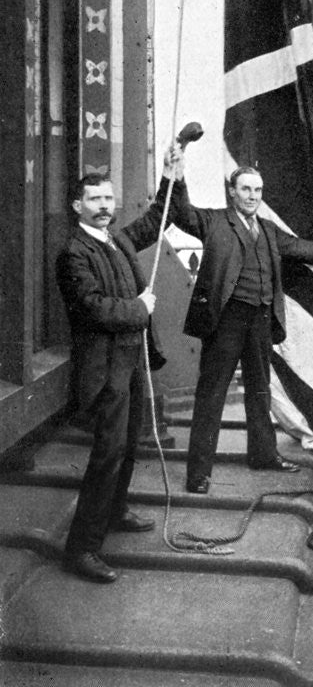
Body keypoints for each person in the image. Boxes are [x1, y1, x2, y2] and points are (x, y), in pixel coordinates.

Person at [173, 164, 313, 494]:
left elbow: (295, 247)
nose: (252, 196)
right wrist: (177, 175)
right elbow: (181, 213)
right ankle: (198, 473)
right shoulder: (213, 221)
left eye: (257, 190)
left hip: (261, 320)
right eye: (246, 189)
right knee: (211, 397)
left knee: (260, 390)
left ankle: (263, 454)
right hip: (225, 321)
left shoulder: (267, 229)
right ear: (232, 192)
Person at [56, 144, 185, 583]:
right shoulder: (73, 254)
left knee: (130, 445)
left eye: (109, 199)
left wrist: (170, 175)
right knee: (108, 453)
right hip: (105, 368)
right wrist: (140, 308)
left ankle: (115, 511)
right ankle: (82, 549)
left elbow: (154, 220)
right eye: (95, 199)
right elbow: (93, 309)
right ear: (78, 206)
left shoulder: (117, 238)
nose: (105, 206)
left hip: (131, 363)